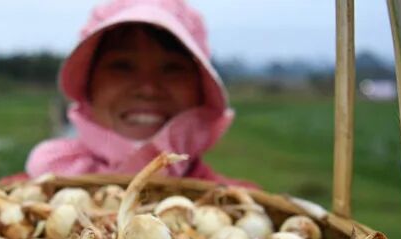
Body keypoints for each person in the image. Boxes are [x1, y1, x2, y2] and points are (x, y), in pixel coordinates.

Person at [24, 0, 241, 185]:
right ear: (89, 84)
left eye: (172, 68)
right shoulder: (33, 189)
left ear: (200, 89)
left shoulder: (237, 204)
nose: (148, 89)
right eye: (122, 66)